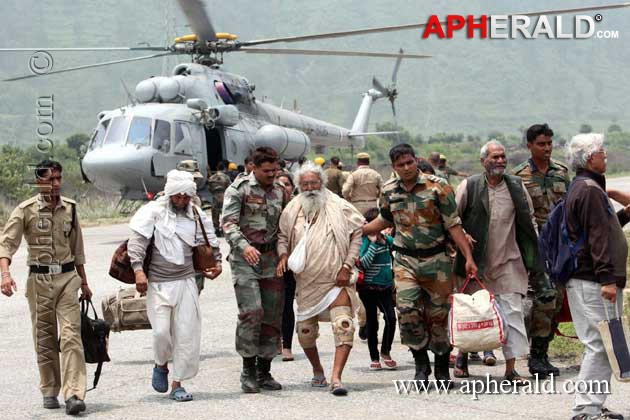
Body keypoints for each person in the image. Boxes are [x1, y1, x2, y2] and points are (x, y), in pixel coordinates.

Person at [363, 144, 477, 388]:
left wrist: (468, 257)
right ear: (394, 167)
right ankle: (421, 365)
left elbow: (453, 224)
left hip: (437, 261)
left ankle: (441, 367)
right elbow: (384, 218)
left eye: (409, 162)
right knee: (407, 311)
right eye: (400, 165)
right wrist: (360, 230)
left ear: (416, 161)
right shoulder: (389, 190)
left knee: (438, 315)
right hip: (405, 262)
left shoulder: (438, 186)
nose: (406, 168)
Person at [0, 159, 92, 415]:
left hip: (66, 279)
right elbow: (6, 244)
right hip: (38, 282)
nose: (56, 184)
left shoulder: (70, 209)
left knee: (72, 335)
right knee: (45, 338)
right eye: (50, 179)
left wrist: (84, 282)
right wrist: (5, 274)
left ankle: (74, 393)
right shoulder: (25, 210)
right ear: (39, 181)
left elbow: (78, 250)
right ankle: (50, 388)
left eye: (58, 179)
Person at [453, 140, 543, 386]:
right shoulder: (469, 186)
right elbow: (452, 219)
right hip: (477, 265)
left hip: (509, 262)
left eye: (503, 157)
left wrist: (533, 253)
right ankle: (462, 356)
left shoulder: (516, 186)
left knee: (513, 315)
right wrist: (464, 238)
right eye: (495, 157)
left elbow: (529, 219)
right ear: (483, 161)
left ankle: (511, 370)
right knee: (474, 314)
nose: (501, 161)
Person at [129, 170, 222, 402]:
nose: (181, 201)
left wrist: (217, 264)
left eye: (185, 197)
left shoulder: (197, 215)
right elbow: (137, 243)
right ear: (169, 194)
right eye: (177, 196)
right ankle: (161, 364)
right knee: (161, 333)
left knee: (186, 334)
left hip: (186, 282)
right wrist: (138, 271)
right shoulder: (153, 212)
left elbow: (209, 241)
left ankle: (178, 383)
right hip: (159, 284)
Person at [277, 161, 364, 396]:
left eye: (314, 182)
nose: (310, 187)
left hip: (337, 279)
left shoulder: (339, 205)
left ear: (322, 183)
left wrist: (347, 265)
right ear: (298, 186)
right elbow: (283, 236)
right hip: (306, 283)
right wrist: (283, 254)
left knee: (344, 326)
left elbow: (357, 233)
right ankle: (318, 371)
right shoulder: (292, 209)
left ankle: (337, 378)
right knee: (305, 334)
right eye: (304, 184)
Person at [564, 133, 629, 420]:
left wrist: (621, 212)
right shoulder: (589, 189)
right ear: (590, 157)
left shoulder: (588, 187)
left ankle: (594, 404)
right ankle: (585, 409)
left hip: (592, 278)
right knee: (600, 343)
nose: (606, 155)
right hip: (592, 280)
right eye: (602, 151)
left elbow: (602, 227)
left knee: (603, 343)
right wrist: (607, 279)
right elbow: (597, 237)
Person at [222, 147, 289, 393]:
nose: (272, 174)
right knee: (252, 312)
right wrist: (243, 246)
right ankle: (248, 369)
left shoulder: (281, 191)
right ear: (254, 167)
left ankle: (264, 371)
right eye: (267, 170)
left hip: (272, 259)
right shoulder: (238, 189)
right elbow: (227, 224)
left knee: (272, 315)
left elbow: (286, 226)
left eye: (276, 170)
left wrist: (284, 253)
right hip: (245, 260)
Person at [512, 123, 570, 377]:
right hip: (534, 248)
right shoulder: (519, 176)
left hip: (560, 248)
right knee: (544, 298)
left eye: (549, 143)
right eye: (541, 144)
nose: (547, 148)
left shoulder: (561, 172)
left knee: (556, 301)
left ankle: (541, 353)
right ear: (529, 146)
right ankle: (536, 357)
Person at [357, 207, 397, 371]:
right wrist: (373, 244)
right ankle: (374, 357)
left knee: (391, 318)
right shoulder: (364, 241)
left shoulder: (387, 240)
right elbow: (364, 263)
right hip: (368, 288)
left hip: (386, 286)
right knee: (372, 322)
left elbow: (400, 248)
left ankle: (385, 351)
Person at [276, 173, 297, 362]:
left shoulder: (298, 207)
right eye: (279, 184)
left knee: (287, 302)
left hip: (291, 260)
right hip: (269, 259)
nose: (283, 187)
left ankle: (287, 345)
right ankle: (274, 341)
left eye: (287, 184)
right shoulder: (268, 203)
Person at [207, 161, 232, 236]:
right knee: (225, 214)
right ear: (224, 168)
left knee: (215, 214)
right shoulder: (226, 177)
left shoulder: (211, 177)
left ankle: (216, 229)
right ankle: (225, 230)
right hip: (224, 197)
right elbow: (230, 187)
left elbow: (209, 188)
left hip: (215, 197)